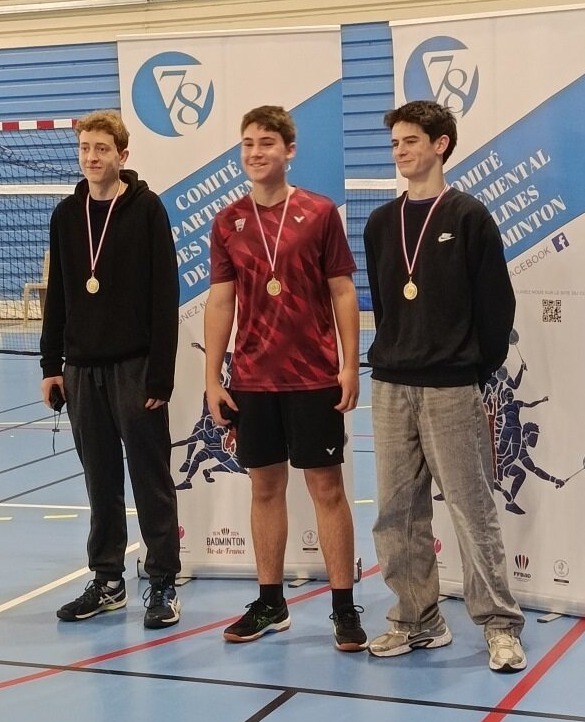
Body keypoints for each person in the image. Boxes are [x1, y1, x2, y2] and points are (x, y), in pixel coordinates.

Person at [363, 100, 527, 672]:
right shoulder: (380, 224)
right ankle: (417, 619)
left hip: (452, 387)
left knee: (471, 509)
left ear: (441, 144)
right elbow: (386, 304)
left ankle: (500, 625)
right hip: (391, 385)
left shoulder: (471, 216)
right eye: (395, 143)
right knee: (396, 512)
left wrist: (468, 370)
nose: (400, 151)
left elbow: (496, 308)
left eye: (411, 140)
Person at [204, 105, 367, 652]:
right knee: (265, 488)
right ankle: (271, 602)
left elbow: (342, 291)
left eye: (266, 142)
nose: (255, 152)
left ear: (289, 150)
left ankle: (343, 606)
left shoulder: (319, 213)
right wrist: (213, 377)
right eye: (247, 143)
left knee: (327, 489)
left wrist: (349, 364)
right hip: (252, 378)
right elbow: (221, 301)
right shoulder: (228, 221)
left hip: (314, 376)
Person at [40, 109, 182, 629]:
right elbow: (58, 296)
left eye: (101, 148)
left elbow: (165, 295)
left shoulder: (146, 209)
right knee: (100, 483)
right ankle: (107, 581)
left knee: (150, 479)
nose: (91, 157)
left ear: (122, 154)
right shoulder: (65, 215)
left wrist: (160, 375)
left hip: (135, 368)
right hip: (81, 371)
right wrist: (51, 364)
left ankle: (162, 580)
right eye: (84, 148)